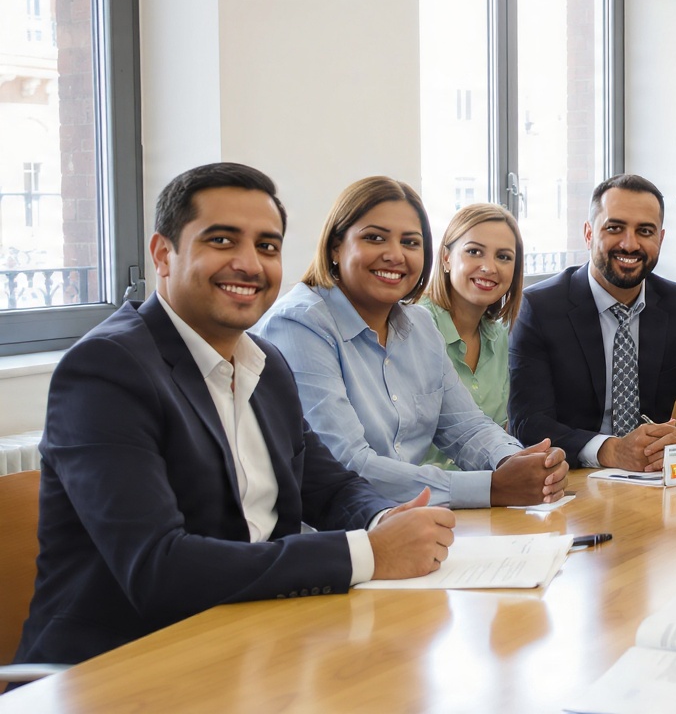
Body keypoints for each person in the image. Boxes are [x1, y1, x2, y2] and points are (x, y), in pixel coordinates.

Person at [16, 163, 455, 666]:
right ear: (162, 254)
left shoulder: (265, 365)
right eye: (222, 240)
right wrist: (369, 552)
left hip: (253, 642)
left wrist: (385, 518)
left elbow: (329, 488)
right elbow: (158, 568)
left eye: (267, 246)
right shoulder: (106, 370)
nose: (249, 264)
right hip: (122, 666)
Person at [258, 177, 566, 508]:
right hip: (337, 529)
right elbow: (346, 465)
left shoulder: (419, 325)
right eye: (374, 238)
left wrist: (520, 463)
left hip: (413, 518)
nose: (395, 255)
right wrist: (492, 487)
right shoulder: (299, 324)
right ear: (336, 246)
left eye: (410, 242)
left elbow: (467, 427)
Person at [508, 174, 676, 470]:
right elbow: (529, 422)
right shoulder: (538, 308)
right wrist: (612, 450)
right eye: (614, 228)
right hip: (570, 479)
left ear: (660, 239)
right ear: (589, 233)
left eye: (645, 231)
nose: (630, 244)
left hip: (652, 479)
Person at [419, 204, 521, 452]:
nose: (489, 267)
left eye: (503, 257)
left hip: (489, 475)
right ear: (446, 258)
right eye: (474, 252)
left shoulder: (501, 336)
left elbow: (499, 432)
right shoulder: (414, 326)